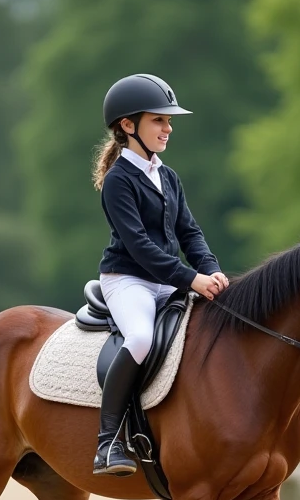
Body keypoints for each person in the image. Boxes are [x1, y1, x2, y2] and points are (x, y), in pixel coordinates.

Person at [91, 73, 229, 476]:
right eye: (159, 121)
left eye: (169, 122)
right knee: (140, 338)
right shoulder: (118, 181)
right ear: (127, 126)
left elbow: (189, 232)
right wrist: (191, 280)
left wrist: (212, 270)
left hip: (167, 279)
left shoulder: (167, 176)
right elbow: (140, 248)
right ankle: (107, 441)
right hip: (128, 279)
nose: (169, 129)